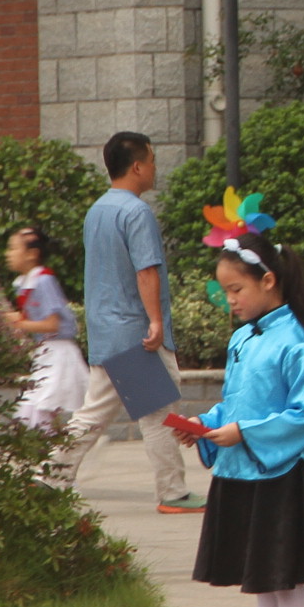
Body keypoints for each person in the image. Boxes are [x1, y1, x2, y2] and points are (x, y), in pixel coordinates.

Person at [181, 230, 304, 607]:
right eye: (225, 291)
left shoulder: (296, 341)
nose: (231, 300)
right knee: (261, 583)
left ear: (268, 281)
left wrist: (242, 432)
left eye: (236, 289)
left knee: (287, 581)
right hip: (242, 472)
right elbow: (234, 403)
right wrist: (204, 426)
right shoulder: (241, 339)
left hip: (277, 475)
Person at [52, 133, 202, 512]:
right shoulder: (137, 212)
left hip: (106, 330)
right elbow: (146, 270)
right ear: (137, 167)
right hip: (136, 332)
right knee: (159, 412)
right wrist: (155, 322)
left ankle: (48, 477)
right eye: (151, 160)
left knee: (96, 412)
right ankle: (173, 493)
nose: (154, 167)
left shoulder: (97, 211)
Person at [4, 225, 88, 431]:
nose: (8, 254)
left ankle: (57, 449)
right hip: (46, 353)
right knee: (35, 410)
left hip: (59, 353)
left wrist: (19, 323)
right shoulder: (25, 283)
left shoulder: (43, 281)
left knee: (39, 409)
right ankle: (54, 448)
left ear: (32, 254)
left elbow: (53, 324)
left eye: (13, 248)